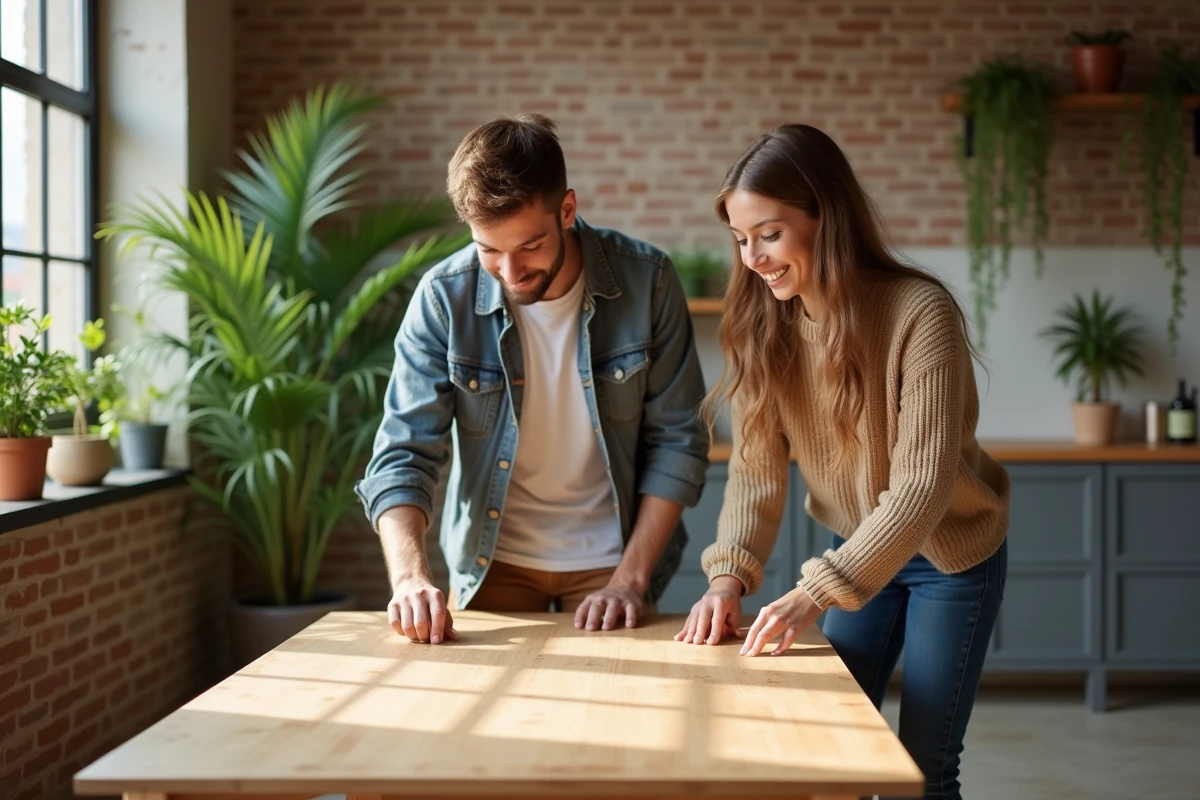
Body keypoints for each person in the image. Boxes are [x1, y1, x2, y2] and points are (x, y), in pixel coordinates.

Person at [675, 124, 1010, 800]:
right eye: (741, 240)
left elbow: (920, 489)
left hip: (951, 557)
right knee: (831, 753)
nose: (753, 258)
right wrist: (727, 579)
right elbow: (756, 469)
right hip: (858, 553)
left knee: (921, 771)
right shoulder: (767, 323)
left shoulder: (920, 313)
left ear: (824, 217)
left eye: (769, 234)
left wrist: (814, 593)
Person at [356, 113, 709, 645]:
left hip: (612, 563)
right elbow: (403, 453)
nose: (511, 272)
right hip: (492, 559)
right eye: (488, 250)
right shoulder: (442, 298)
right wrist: (408, 579)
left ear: (567, 209)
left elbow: (678, 441)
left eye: (529, 246)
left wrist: (630, 581)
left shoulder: (648, 280)